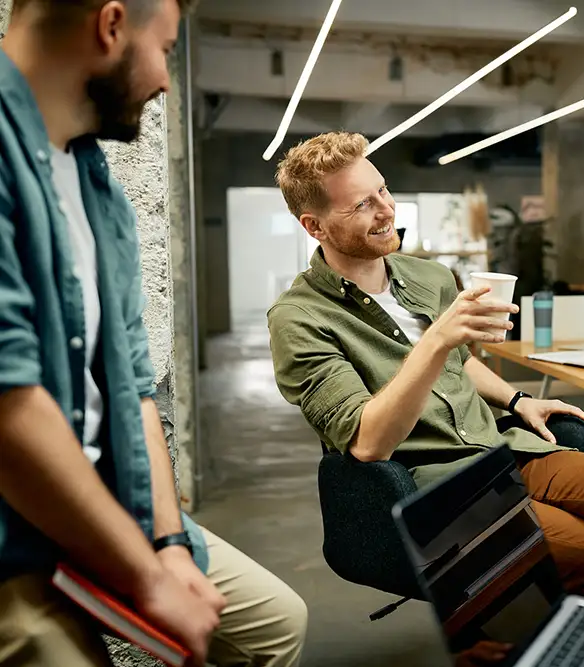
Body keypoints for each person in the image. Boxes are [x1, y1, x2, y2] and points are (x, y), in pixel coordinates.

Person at [267, 131, 584, 609]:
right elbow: (369, 442)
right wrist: (436, 339)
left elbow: (461, 363)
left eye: (383, 190)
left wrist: (517, 400)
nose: (387, 210)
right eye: (362, 205)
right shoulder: (300, 319)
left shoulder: (427, 277)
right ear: (316, 226)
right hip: (434, 486)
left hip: (499, 449)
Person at [0, 1, 307, 665]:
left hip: (105, 492)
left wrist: (167, 543)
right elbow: (8, 409)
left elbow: (135, 385)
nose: (168, 80)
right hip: (15, 529)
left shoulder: (94, 184)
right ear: (110, 26)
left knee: (276, 624)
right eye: (165, 49)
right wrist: (146, 578)